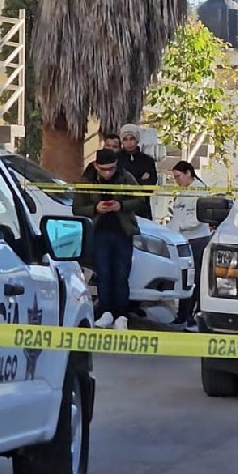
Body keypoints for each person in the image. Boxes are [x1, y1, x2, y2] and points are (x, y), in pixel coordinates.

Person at [73, 149, 147, 330]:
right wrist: (95, 208)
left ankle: (121, 314)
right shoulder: (87, 180)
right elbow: (77, 208)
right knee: (103, 274)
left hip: (122, 232)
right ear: (96, 166)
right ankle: (106, 312)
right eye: (104, 169)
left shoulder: (125, 177)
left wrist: (120, 205)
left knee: (121, 275)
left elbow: (140, 200)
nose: (108, 173)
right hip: (99, 233)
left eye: (111, 169)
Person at [168, 161, 212, 332]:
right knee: (185, 280)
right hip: (183, 240)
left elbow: (197, 219)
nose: (177, 180)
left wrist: (179, 226)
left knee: (194, 281)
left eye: (178, 177)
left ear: (188, 173)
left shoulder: (199, 191)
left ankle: (192, 317)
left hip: (197, 240)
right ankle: (182, 316)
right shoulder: (184, 192)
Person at [117, 124, 159, 220]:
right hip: (121, 209)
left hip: (142, 209)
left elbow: (151, 185)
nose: (129, 142)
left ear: (137, 140)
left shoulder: (147, 160)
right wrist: (140, 180)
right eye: (125, 139)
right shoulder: (116, 159)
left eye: (132, 138)